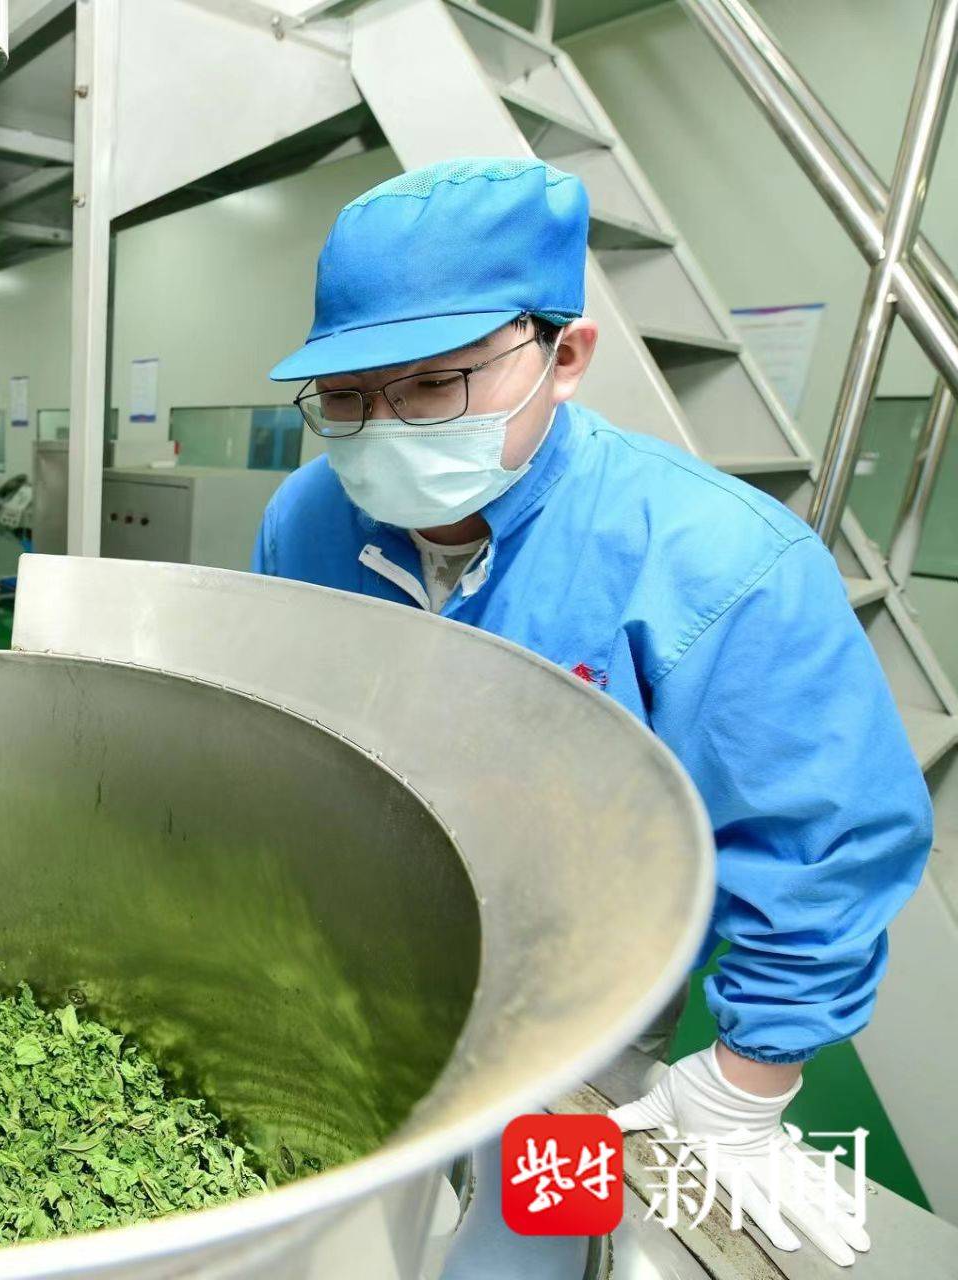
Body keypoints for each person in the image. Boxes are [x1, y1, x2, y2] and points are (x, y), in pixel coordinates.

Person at [253, 157, 931, 1268]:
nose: (381, 431)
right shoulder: (307, 519)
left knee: (531, 1238)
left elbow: (820, 843)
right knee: (340, 1214)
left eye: (431, 386)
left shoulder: (717, 563)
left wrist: (747, 1083)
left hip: (586, 994)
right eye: (346, 396)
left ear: (563, 357)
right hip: (361, 948)